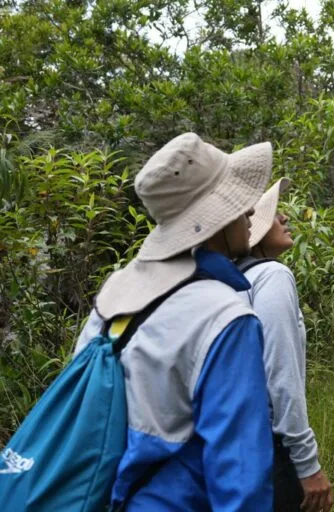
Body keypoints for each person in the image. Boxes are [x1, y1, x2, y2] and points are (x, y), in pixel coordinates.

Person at [75, 132, 276, 511]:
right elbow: (240, 477)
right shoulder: (226, 317)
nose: (251, 211)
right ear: (215, 217)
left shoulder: (115, 293)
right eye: (239, 202)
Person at [241, 178, 334, 512]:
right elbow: (281, 375)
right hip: (272, 448)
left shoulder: (226, 281)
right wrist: (308, 465)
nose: (283, 219)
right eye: (272, 215)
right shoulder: (271, 276)